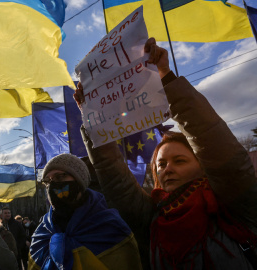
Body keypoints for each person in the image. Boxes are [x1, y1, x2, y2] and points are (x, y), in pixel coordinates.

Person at [75, 38, 257, 269]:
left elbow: (209, 135)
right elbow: (115, 179)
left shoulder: (236, 202)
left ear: (203, 164)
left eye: (179, 161)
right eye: (161, 165)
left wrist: (164, 76)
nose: (167, 168)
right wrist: (92, 117)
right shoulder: (152, 218)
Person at [28, 153, 142, 270]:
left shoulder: (111, 226)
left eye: (59, 177)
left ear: (79, 180)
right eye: (47, 181)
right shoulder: (42, 233)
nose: (52, 185)